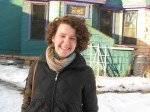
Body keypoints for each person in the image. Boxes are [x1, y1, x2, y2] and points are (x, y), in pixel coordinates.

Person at [21, 15, 98, 112]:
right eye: (62, 36)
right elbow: (27, 101)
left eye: (72, 38)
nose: (66, 43)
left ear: (78, 42)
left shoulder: (85, 73)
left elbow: (91, 109)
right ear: (53, 37)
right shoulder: (37, 66)